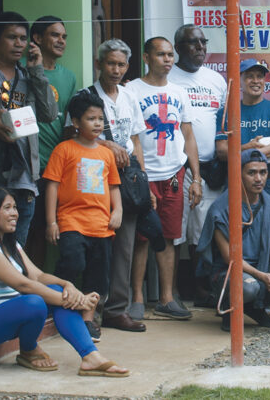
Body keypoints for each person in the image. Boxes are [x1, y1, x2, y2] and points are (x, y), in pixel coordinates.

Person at [0, 186, 128, 376]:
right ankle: (29, 348)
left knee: (51, 290)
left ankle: (90, 356)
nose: (15, 214)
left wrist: (67, 285)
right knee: (35, 302)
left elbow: (37, 276)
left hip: (9, 312)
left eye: (15, 208)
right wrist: (78, 301)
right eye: (7, 208)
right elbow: (23, 284)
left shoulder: (11, 244)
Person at [0, 11, 57, 247]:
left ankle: (13, 285)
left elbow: (48, 113)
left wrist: (37, 72)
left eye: (23, 39)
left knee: (16, 250)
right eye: (11, 37)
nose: (19, 44)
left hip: (23, 176)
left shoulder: (28, 75)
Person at [126, 36, 202, 321]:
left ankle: (167, 298)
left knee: (170, 236)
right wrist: (139, 176)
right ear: (146, 58)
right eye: (161, 55)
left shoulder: (179, 92)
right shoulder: (131, 90)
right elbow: (131, 136)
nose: (168, 60)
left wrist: (196, 178)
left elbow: (188, 135)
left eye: (170, 55)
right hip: (143, 175)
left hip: (173, 173)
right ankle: (137, 298)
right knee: (142, 238)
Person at [196, 149, 270, 330]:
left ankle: (256, 309)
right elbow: (229, 258)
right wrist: (262, 276)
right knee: (249, 287)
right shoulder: (221, 209)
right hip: (229, 272)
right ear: (238, 174)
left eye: (263, 172)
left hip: (263, 268)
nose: (258, 179)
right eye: (251, 173)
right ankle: (229, 309)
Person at [43, 91, 122, 341]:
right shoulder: (64, 150)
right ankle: (61, 306)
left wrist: (117, 210)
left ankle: (87, 319)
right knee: (72, 263)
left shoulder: (106, 153)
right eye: (91, 119)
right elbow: (52, 186)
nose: (98, 124)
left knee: (99, 273)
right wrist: (51, 222)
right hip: (71, 221)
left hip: (101, 225)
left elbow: (113, 186)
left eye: (100, 119)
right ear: (76, 122)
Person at [86, 39, 148, 333]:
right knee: (95, 245)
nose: (116, 69)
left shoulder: (129, 96)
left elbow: (136, 141)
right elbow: (72, 136)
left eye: (121, 64)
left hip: (127, 180)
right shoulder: (85, 97)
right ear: (99, 64)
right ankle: (88, 311)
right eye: (110, 63)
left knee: (125, 245)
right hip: (94, 180)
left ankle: (116, 310)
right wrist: (106, 143)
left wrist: (143, 182)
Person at [168, 25, 227, 279]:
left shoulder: (216, 79)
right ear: (179, 48)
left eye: (203, 42)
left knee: (203, 228)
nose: (201, 47)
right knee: (175, 228)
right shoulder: (167, 78)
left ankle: (203, 285)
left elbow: (224, 121)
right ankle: (175, 290)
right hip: (176, 166)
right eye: (194, 43)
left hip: (209, 167)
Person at [24, 16, 78, 268]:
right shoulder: (22, 72)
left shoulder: (68, 76)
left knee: (48, 233)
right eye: (55, 35)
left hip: (56, 169)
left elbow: (68, 123)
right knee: (25, 232)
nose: (61, 41)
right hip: (27, 167)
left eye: (64, 37)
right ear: (37, 39)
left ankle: (43, 296)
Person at [216, 58, 270, 201]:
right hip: (236, 179)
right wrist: (247, 147)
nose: (256, 81)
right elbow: (222, 151)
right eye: (249, 76)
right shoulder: (226, 112)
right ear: (239, 80)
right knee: (233, 223)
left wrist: (255, 154)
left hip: (269, 181)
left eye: (259, 76)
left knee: (269, 222)